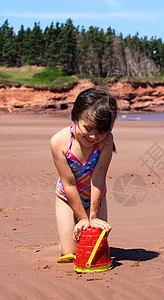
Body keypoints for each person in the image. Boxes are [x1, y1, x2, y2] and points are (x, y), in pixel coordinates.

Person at [50, 87, 117, 262]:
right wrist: (81, 218)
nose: (94, 136)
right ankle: (64, 240)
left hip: (94, 195)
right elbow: (69, 183)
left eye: (100, 131)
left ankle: (87, 220)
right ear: (76, 117)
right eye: (88, 128)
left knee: (94, 250)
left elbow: (99, 178)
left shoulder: (107, 141)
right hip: (67, 196)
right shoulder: (59, 142)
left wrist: (93, 217)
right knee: (70, 254)